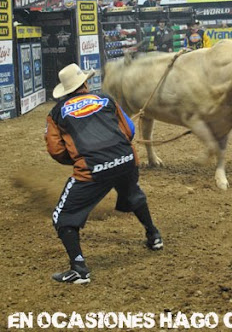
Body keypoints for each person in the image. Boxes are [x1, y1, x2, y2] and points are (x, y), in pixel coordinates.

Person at [45, 63, 163, 284]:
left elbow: (56, 150)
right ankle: (154, 235)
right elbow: (129, 131)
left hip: (92, 168)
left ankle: (79, 268)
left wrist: (79, 158)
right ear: (85, 83)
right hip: (126, 160)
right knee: (132, 193)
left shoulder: (56, 113)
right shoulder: (107, 100)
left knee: (62, 217)